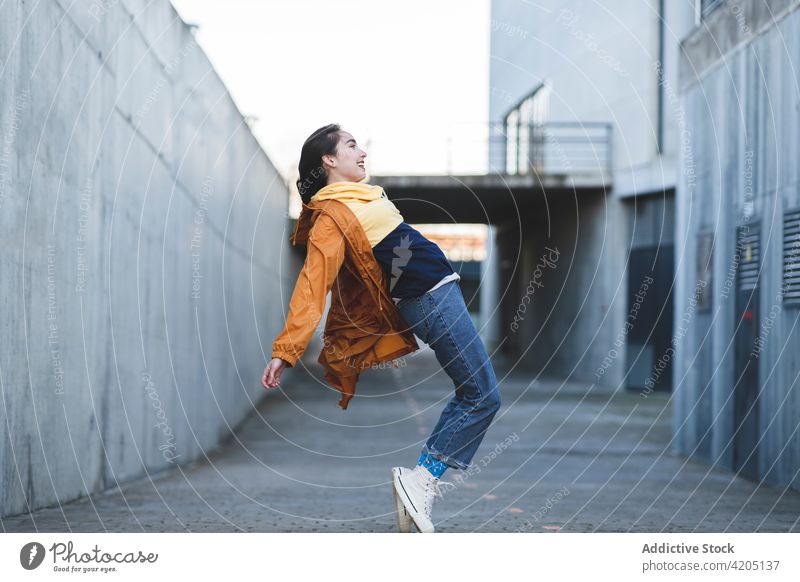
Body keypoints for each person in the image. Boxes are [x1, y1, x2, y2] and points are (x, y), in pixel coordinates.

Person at [261, 124, 501, 533]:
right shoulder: (332, 216)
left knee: (476, 393)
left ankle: (421, 479)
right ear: (329, 160)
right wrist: (287, 350)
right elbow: (311, 285)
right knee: (481, 395)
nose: (362, 152)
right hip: (430, 299)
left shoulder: (359, 197)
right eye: (352, 145)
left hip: (437, 293)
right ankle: (422, 479)